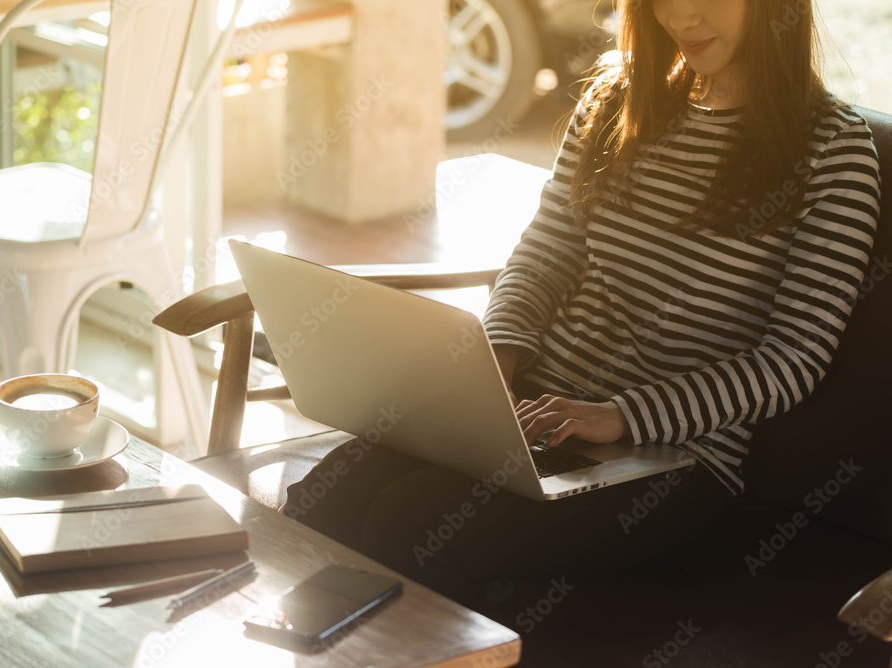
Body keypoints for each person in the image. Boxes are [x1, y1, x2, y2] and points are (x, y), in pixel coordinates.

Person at [279, 0, 882, 605]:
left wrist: (622, 414)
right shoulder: (618, 99)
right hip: (530, 414)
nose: (684, 18)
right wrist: (494, 363)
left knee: (406, 525)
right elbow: (546, 253)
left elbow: (793, 359)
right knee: (328, 495)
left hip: (671, 459)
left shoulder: (834, 153)